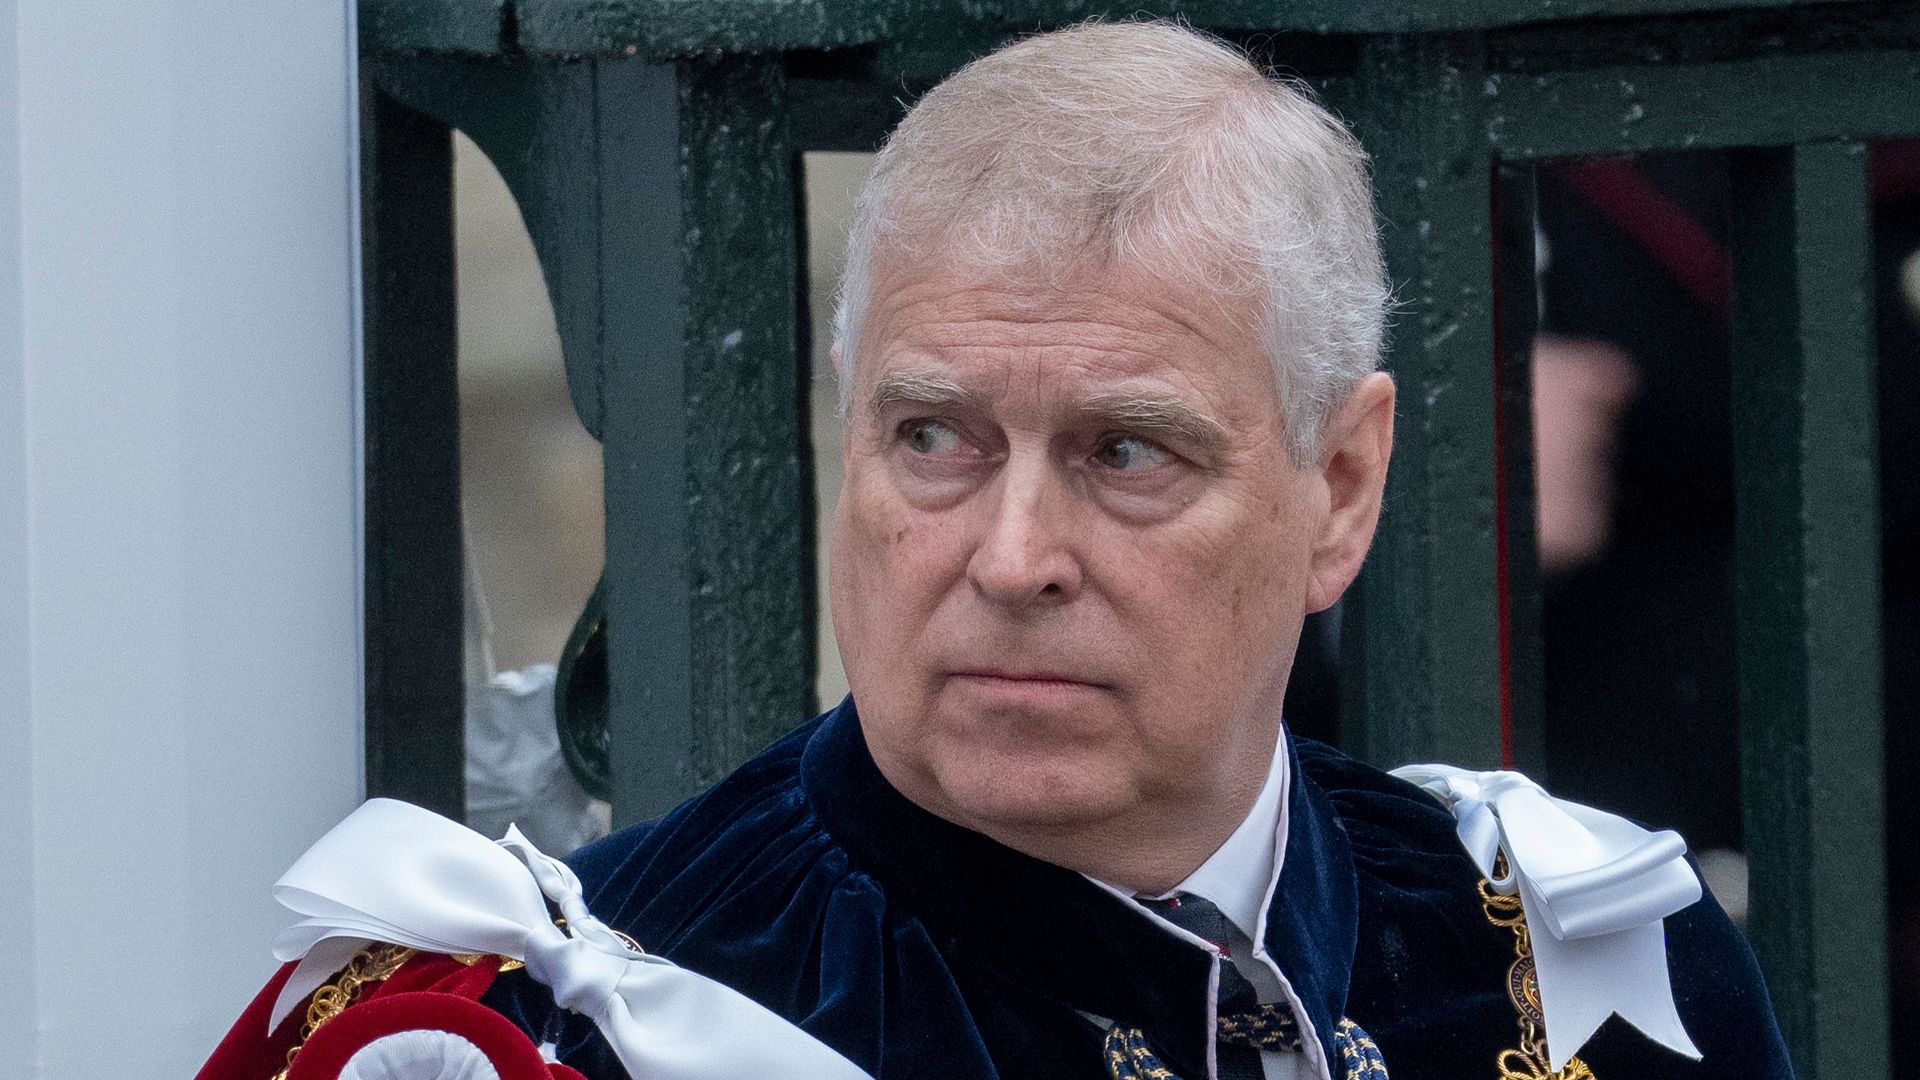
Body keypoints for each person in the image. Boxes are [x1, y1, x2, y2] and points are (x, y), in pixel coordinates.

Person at [208, 19, 1792, 1080]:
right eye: (936, 440)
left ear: (1343, 485)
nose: (1012, 555)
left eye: (1125, 452)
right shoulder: (567, 1034)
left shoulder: (1578, 967)